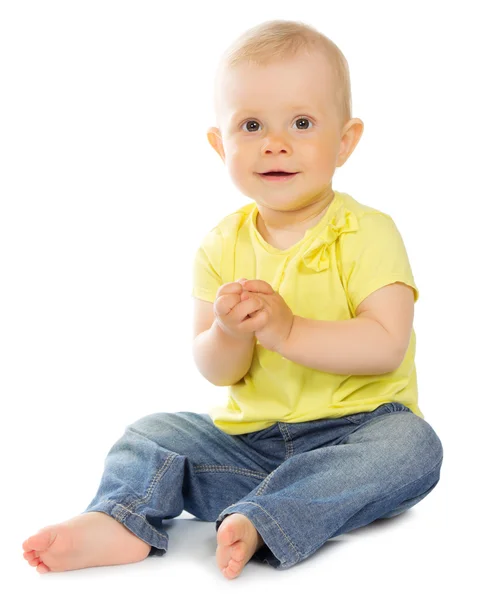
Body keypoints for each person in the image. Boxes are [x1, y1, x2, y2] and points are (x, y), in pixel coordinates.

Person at [21, 19, 444, 580]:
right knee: (151, 432)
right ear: (220, 144)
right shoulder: (222, 244)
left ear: (345, 141)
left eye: (301, 122)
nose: (275, 142)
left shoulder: (368, 232)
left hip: (357, 434)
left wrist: (288, 331)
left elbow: (386, 345)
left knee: (414, 447)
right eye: (251, 125)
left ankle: (265, 517)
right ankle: (121, 517)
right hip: (251, 449)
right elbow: (216, 371)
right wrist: (228, 333)